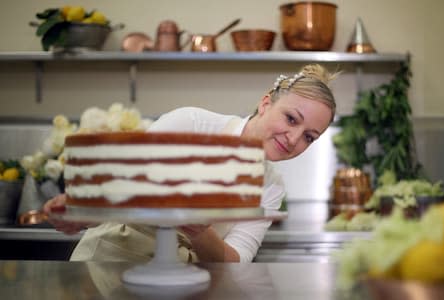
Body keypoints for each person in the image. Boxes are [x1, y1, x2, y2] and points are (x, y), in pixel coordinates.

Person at [43, 63, 337, 263]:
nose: (295, 138)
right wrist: (80, 211)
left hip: (182, 281)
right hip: (109, 259)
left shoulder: (271, 186)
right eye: (291, 119)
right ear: (265, 103)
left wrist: (198, 231)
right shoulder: (191, 123)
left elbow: (236, 259)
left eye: (309, 137)